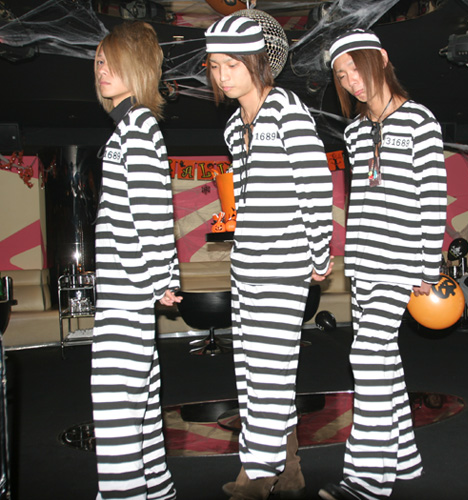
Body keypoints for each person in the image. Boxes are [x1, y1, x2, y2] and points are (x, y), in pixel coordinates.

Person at [204, 15, 334, 500]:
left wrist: (318, 253)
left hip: (284, 263)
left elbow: (315, 187)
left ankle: (257, 474)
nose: (223, 76)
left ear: (258, 62)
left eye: (233, 64)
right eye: (215, 66)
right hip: (248, 264)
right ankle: (291, 468)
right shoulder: (234, 126)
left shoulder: (286, 111)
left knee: (270, 371)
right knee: (253, 371)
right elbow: (247, 198)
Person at [321, 29, 447, 500]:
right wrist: (351, 259)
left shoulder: (419, 120)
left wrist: (426, 266)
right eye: (341, 75)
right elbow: (360, 201)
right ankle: (405, 459)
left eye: (356, 68)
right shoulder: (354, 131)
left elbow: (432, 198)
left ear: (382, 59)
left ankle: (367, 478)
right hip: (364, 261)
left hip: (402, 260)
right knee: (384, 361)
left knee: (367, 355)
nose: (351, 80)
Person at [91, 21, 181, 500]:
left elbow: (151, 212)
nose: (102, 71)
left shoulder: (138, 127)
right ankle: (156, 490)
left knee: (116, 411)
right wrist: (161, 278)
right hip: (129, 291)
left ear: (138, 67)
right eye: (99, 63)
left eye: (111, 62)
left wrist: (159, 279)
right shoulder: (132, 127)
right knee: (139, 404)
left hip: (126, 295)